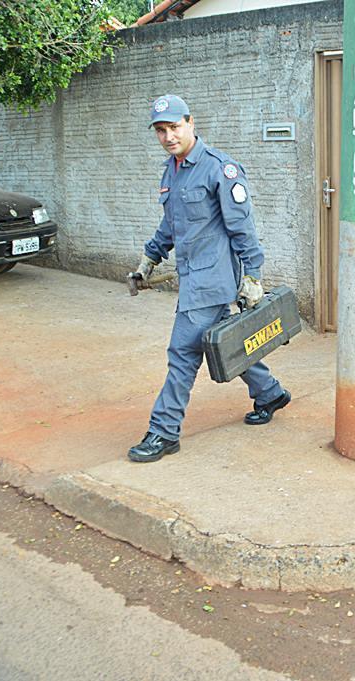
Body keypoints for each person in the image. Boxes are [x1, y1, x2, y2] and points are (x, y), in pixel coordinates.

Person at [128, 94, 291, 463]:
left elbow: (243, 230)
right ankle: (270, 393)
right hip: (192, 277)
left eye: (174, 127)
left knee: (183, 354)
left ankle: (163, 431)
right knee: (226, 343)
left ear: (190, 123)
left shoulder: (220, 168)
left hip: (211, 282)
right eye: (160, 131)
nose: (168, 136)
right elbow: (171, 225)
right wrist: (150, 258)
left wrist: (253, 275)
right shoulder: (172, 169)